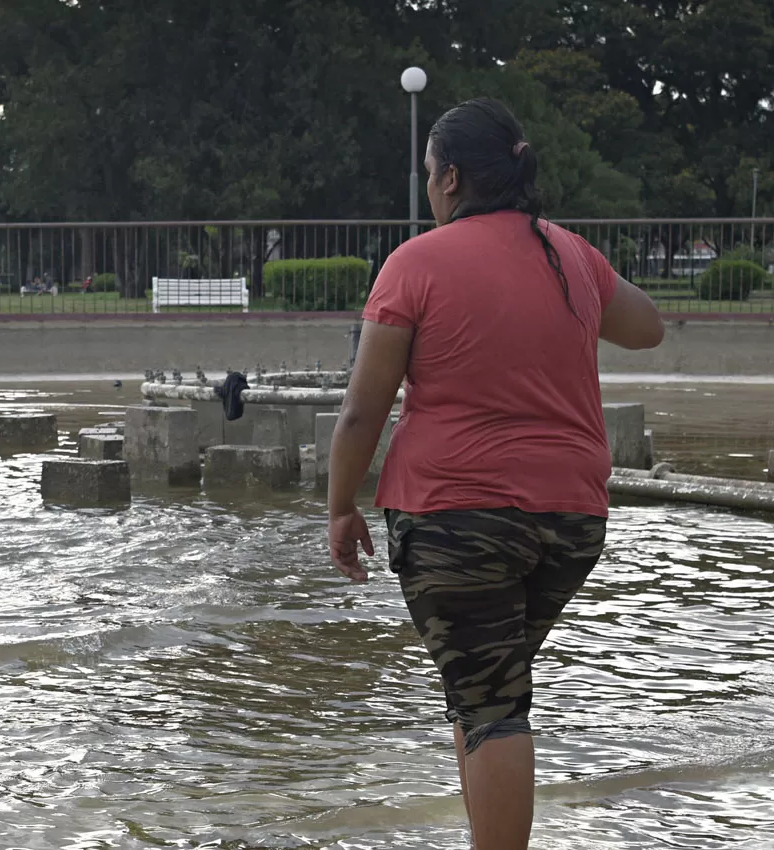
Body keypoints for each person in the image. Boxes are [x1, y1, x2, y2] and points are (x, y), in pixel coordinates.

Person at [326, 98, 664, 850]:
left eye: (427, 176)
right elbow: (647, 328)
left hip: (454, 516)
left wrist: (339, 506)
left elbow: (361, 411)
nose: (427, 189)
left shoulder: (417, 263)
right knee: (482, 694)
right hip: (572, 520)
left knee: (491, 706)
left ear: (448, 178)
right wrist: (573, 288)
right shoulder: (569, 253)